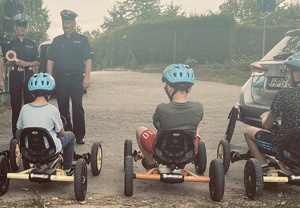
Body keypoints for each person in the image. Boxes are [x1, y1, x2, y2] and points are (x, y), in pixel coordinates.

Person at [135, 64, 204, 170]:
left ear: (170, 88)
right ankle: (181, 165)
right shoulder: (198, 107)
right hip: (187, 152)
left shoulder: (162, 108)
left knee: (140, 130)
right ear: (189, 89)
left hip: (161, 152)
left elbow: (157, 124)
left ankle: (151, 163)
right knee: (197, 129)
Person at [244, 52, 300, 176]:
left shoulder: (284, 94)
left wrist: (264, 117)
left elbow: (268, 125)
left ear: (298, 75)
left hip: (287, 149)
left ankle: (264, 169)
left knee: (248, 132)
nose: (287, 76)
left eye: (289, 72)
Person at [46, 9, 94, 144]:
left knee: (78, 107)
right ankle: (67, 133)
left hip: (76, 78)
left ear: (74, 23)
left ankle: (79, 135)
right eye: (63, 23)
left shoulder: (82, 40)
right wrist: (50, 79)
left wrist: (87, 78)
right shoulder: (56, 41)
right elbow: (50, 60)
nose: (65, 25)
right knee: (62, 107)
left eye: (68, 22)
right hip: (60, 78)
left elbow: (88, 59)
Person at [16, 73, 75, 175]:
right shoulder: (53, 110)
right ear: (50, 93)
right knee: (70, 136)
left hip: (29, 150)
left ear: (32, 94)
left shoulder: (24, 108)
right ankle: (67, 168)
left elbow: (19, 131)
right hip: (49, 151)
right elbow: (61, 134)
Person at [4, 14, 40, 139]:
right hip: (15, 75)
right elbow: (6, 62)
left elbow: (38, 62)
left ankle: (30, 133)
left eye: (24, 26)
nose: (22, 28)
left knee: (30, 105)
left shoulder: (32, 43)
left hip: (29, 74)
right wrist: (14, 62)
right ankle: (16, 135)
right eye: (19, 26)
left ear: (27, 28)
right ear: (15, 27)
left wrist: (28, 63)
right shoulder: (10, 44)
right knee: (16, 105)